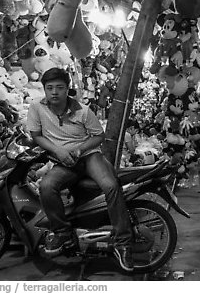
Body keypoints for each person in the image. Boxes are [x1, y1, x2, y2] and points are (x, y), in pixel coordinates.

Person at [26, 67, 134, 271]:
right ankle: (64, 234)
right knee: (47, 186)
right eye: (50, 88)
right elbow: (36, 135)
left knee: (110, 185)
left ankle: (123, 243)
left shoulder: (83, 111)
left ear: (68, 89)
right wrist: (57, 151)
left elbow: (98, 136)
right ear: (44, 90)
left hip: (89, 156)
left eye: (59, 87)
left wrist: (78, 149)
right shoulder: (36, 108)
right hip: (64, 162)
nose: (54, 92)